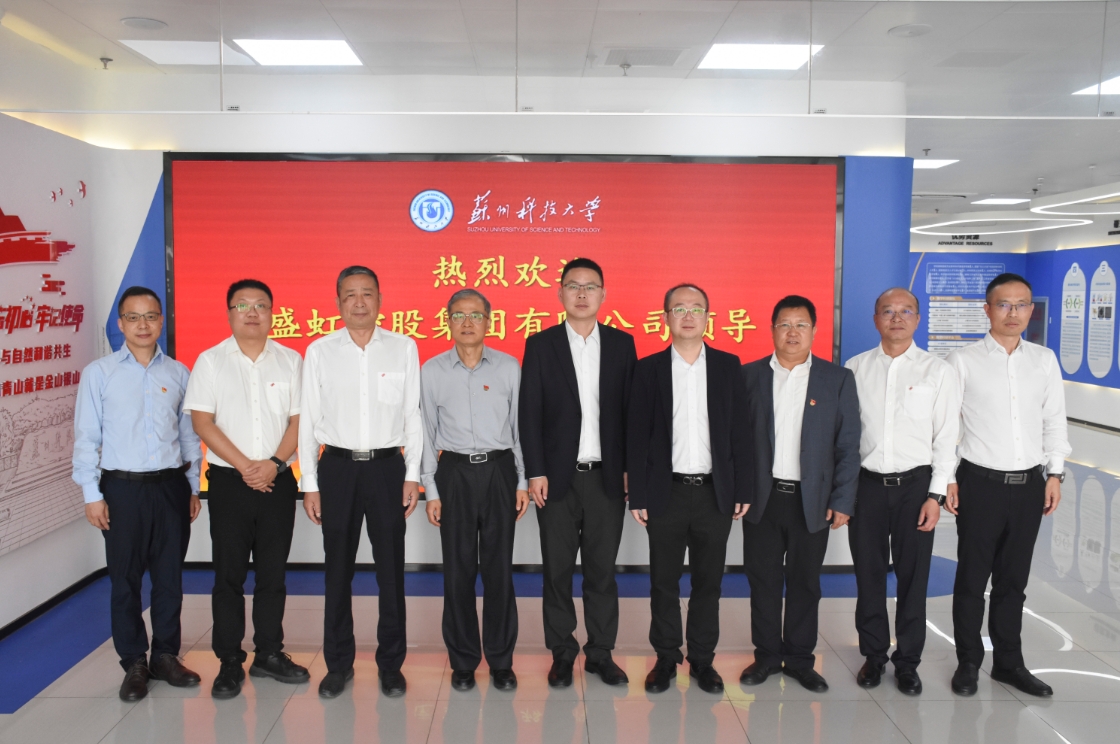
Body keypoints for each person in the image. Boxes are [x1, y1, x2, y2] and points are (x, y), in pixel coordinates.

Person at [72, 286, 203, 702]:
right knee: (125, 579)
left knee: (169, 577)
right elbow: (87, 437)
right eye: (133, 317)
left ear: (161, 321)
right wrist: (91, 494)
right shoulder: (100, 373)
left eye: (150, 316)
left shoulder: (178, 373)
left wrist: (193, 486)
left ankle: (165, 655)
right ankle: (133, 662)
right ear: (121, 323)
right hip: (121, 489)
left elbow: (188, 436)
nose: (143, 325)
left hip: (170, 487)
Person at [299, 266, 423, 699]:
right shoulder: (319, 351)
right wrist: (309, 483)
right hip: (336, 469)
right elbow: (308, 420)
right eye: (350, 294)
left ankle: (391, 665)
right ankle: (338, 664)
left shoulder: (403, 348)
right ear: (337, 303)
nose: (358, 302)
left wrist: (412, 474)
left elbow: (413, 415)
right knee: (337, 571)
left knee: (391, 571)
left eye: (367, 293)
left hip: (388, 469)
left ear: (380, 300)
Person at [946, 272, 1071, 698]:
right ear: (987, 309)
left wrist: (1054, 473)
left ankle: (1009, 663)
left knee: (1013, 581)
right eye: (1003, 304)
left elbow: (1054, 420)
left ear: (1031, 310)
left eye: (1021, 305)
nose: (1012, 312)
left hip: (1029, 484)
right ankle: (968, 661)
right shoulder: (962, 361)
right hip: (979, 483)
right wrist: (947, 478)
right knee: (971, 579)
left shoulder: (1044, 360)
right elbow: (946, 427)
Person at [184, 279, 308, 699]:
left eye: (261, 305)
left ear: (273, 313)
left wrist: (274, 465)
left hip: (278, 480)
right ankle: (229, 661)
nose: (252, 313)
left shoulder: (291, 360)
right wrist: (246, 467)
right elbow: (202, 422)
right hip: (228, 483)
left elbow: (300, 421)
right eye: (243, 305)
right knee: (229, 575)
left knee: (273, 574)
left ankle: (269, 653)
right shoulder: (210, 361)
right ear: (229, 313)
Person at [518, 257, 637, 688]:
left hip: (608, 478)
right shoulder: (541, 344)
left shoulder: (622, 344)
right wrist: (535, 471)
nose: (582, 293)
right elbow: (529, 413)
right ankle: (562, 653)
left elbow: (631, 414)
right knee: (557, 571)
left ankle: (601, 653)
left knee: (602, 572)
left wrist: (630, 469)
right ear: (560, 293)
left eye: (590, 286)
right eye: (573, 286)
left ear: (603, 294)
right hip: (557, 480)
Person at [627, 284, 750, 694]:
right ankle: (665, 658)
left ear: (707, 317)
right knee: (663, 582)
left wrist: (742, 487)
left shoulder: (728, 366)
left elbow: (740, 431)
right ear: (665, 318)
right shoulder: (648, 369)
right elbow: (636, 435)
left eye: (696, 308)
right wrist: (638, 493)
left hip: (715, 493)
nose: (688, 315)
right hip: (666, 492)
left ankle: (702, 660)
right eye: (678, 308)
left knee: (708, 583)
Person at [739, 295, 860, 693]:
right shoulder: (748, 375)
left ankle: (800, 660)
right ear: (772, 329)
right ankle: (766, 657)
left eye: (801, 325)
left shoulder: (837, 379)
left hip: (814, 501)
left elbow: (848, 445)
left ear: (814, 330)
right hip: (763, 498)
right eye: (785, 324)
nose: (793, 332)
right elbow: (736, 442)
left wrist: (842, 500)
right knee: (763, 582)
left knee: (806, 584)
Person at [844, 288, 959, 695]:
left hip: (916, 488)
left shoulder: (938, 371)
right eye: (888, 311)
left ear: (918, 318)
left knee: (913, 578)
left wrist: (936, 495)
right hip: (867, 487)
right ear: (876, 318)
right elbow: (846, 437)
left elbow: (946, 436)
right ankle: (874, 656)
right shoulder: (855, 368)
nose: (897, 318)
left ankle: (908, 662)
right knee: (869, 575)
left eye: (905, 311)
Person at [421, 289, 530, 692]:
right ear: (447, 320)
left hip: (500, 471)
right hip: (454, 473)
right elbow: (425, 432)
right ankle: (463, 660)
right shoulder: (432, 370)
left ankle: (501, 660)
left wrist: (521, 480)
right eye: (458, 315)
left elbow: (520, 429)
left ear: (489, 321)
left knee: (499, 570)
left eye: (476, 315)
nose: (467, 323)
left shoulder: (509, 367)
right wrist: (431, 489)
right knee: (458, 571)